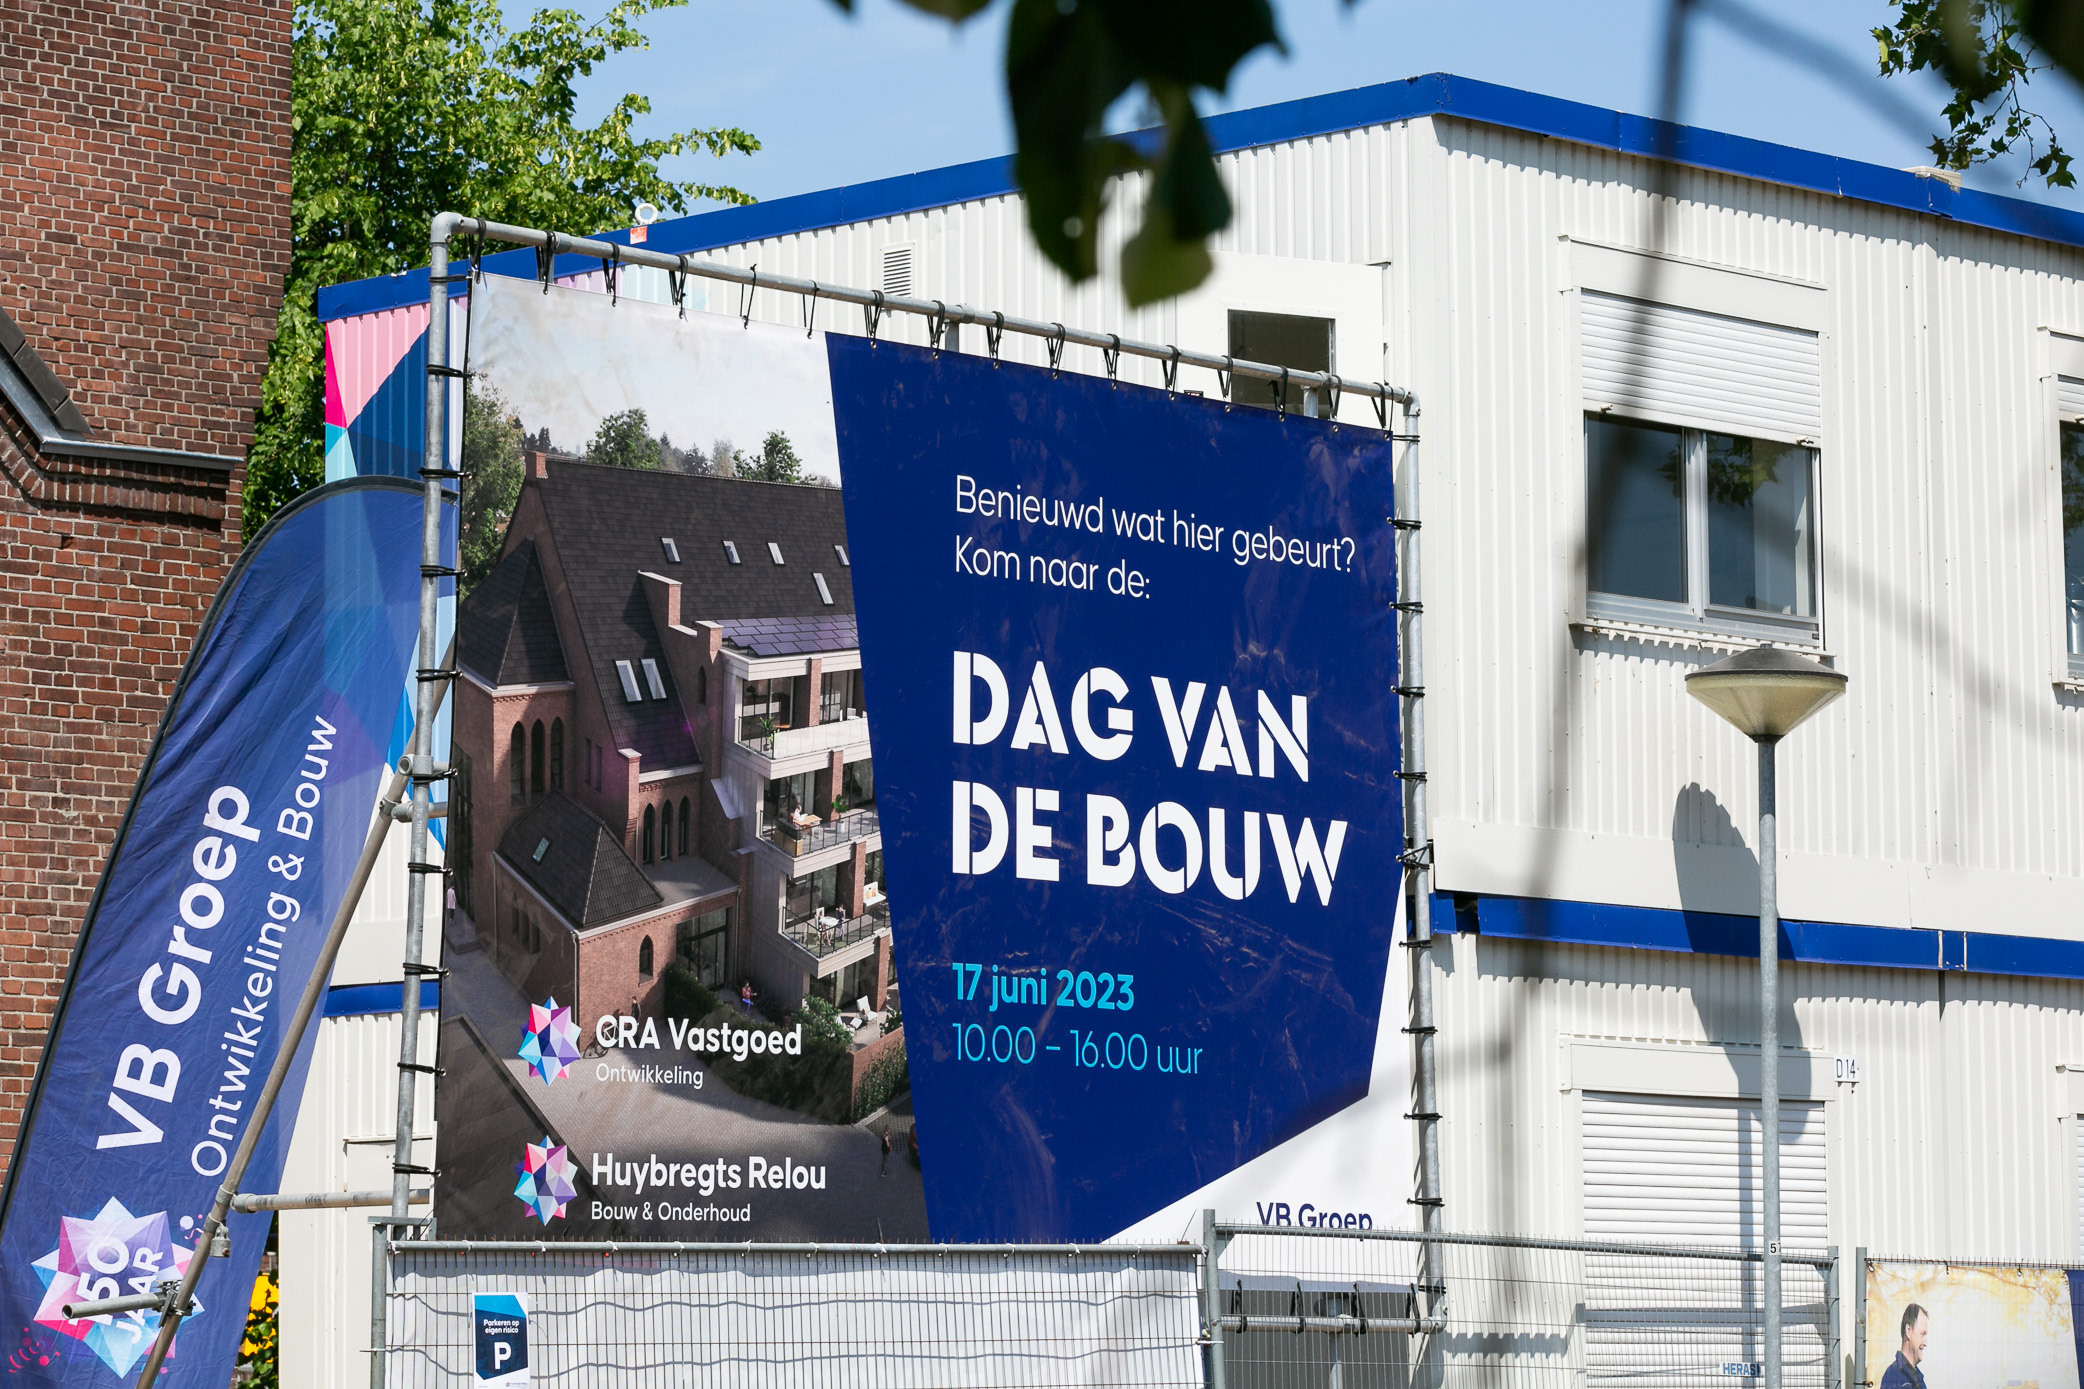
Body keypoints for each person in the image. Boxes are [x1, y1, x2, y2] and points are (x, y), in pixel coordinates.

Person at [1879, 1303, 1929, 1389]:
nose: (1925, 1343)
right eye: (1922, 1334)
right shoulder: (1894, 1377)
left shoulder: (1917, 1378)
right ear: (1908, 1330)